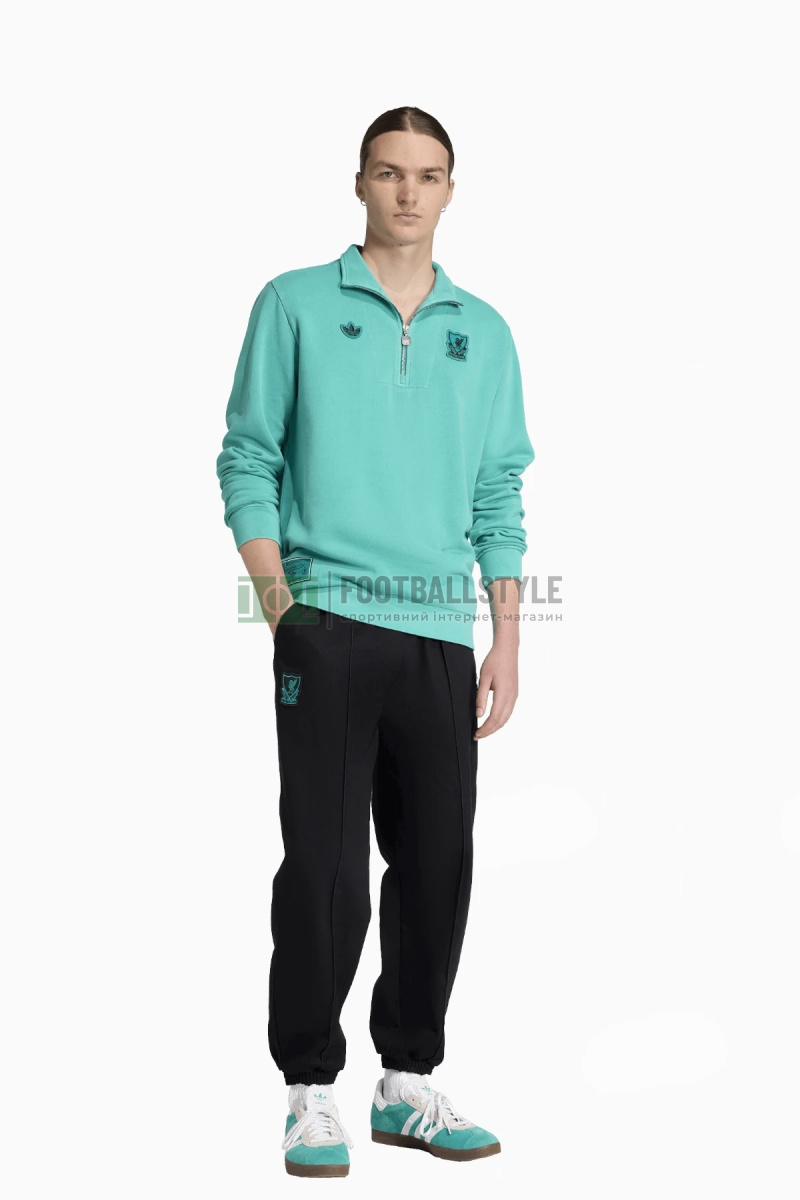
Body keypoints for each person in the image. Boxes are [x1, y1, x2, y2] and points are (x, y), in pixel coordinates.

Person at [216, 106, 535, 1178]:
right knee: (325, 868)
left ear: (450, 190)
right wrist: (282, 606)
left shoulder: (484, 331)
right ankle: (310, 1088)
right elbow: (247, 456)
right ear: (359, 182)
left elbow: (497, 491)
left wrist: (504, 638)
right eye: (389, 172)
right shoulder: (294, 303)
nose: (407, 192)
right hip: (328, 623)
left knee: (439, 861)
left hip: (439, 633)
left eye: (427, 175)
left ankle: (406, 1084)